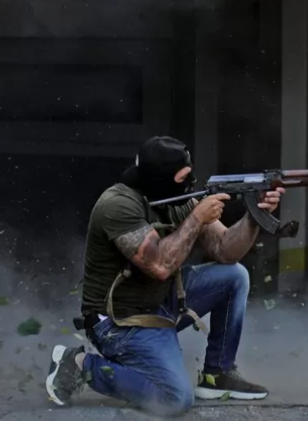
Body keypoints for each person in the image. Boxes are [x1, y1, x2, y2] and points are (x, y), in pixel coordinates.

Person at [45, 136, 285, 416]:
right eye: (183, 177)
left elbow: (226, 250)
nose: (191, 182)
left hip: (161, 301)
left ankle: (217, 374)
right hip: (121, 321)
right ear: (160, 179)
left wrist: (254, 214)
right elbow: (159, 265)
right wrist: (197, 218)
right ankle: (80, 365)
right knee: (174, 399)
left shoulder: (179, 199)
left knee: (234, 276)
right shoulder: (117, 205)